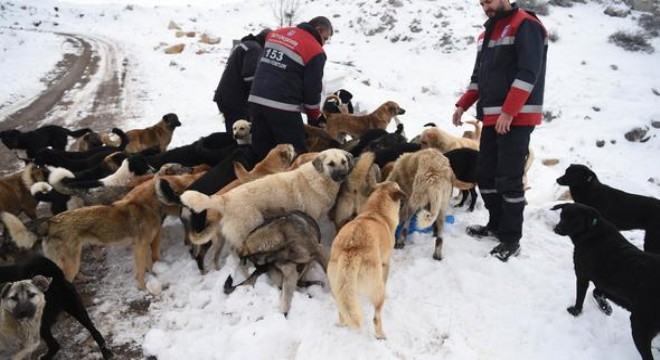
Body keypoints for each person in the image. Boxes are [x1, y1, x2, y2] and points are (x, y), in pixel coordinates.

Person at [452, 0, 548, 262]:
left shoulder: (526, 25)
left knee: (509, 178)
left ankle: (511, 238)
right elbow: (478, 78)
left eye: (489, 1)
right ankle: (495, 225)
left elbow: (529, 71)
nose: (486, 7)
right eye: (482, 3)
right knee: (485, 176)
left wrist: (510, 110)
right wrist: (462, 105)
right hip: (493, 118)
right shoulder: (486, 34)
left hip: (516, 118)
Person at [247, 16, 333, 160]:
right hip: (282, 106)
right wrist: (313, 115)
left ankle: (261, 180)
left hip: (256, 99)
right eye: (325, 38)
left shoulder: (276, 34)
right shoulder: (315, 50)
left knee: (264, 153)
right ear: (319, 30)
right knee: (296, 154)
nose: (323, 44)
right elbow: (312, 87)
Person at [213, 28, 272, 133]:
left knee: (235, 132)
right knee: (239, 135)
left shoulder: (247, 45)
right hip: (236, 100)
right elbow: (250, 75)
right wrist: (260, 94)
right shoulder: (255, 48)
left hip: (227, 97)